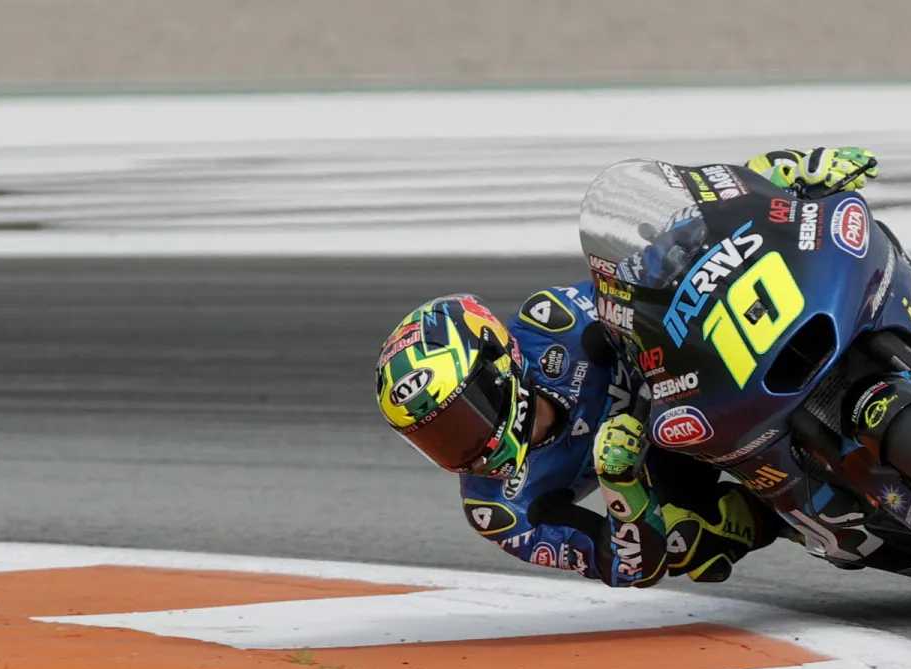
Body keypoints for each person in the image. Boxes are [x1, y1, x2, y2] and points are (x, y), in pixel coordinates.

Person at [374, 147, 880, 587]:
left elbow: (646, 272)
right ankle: (789, 517)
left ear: (496, 366)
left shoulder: (551, 323)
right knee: (689, 545)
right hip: (664, 455)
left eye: (460, 417)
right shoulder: (498, 509)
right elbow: (626, 567)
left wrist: (766, 181)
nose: (459, 447)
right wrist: (622, 488)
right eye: (434, 438)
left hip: (695, 370)